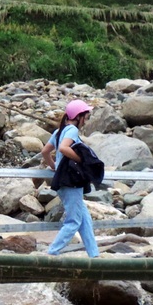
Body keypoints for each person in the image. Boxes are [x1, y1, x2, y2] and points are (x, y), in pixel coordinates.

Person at [41, 99, 100, 258]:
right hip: (71, 182)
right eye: (86, 117)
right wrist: (81, 159)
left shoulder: (59, 131)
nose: (86, 121)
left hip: (63, 180)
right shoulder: (72, 130)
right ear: (78, 116)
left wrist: (54, 166)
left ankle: (94, 255)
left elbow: (45, 152)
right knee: (74, 221)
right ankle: (51, 253)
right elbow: (63, 148)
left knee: (85, 219)